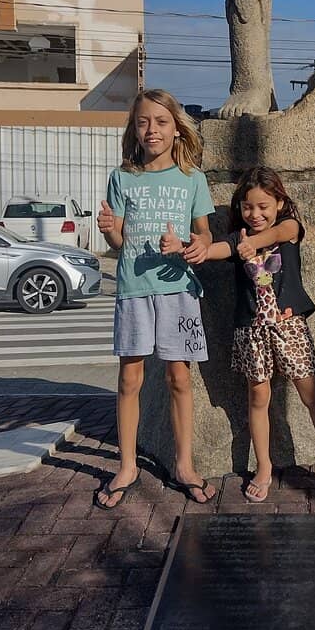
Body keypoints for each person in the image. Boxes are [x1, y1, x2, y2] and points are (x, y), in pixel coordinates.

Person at [165, 166, 315, 505]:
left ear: (279, 203)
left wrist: (251, 246)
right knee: (258, 398)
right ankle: (264, 468)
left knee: (313, 397)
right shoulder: (236, 238)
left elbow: (277, 234)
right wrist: (189, 248)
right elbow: (214, 250)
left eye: (263, 206)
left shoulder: (289, 227)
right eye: (248, 207)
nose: (255, 213)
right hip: (252, 331)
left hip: (290, 327)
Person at [94, 89, 217, 510]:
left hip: (178, 289)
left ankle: (184, 464)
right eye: (144, 122)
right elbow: (118, 240)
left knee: (179, 378)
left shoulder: (192, 178)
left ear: (176, 128)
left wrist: (190, 245)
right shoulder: (122, 176)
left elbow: (205, 236)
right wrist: (109, 228)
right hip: (132, 289)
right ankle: (126, 466)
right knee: (130, 378)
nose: (152, 130)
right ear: (134, 128)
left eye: (162, 122)